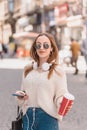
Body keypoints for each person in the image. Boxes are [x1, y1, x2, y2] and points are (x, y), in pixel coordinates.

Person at [15, 33, 73, 130]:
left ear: (51, 48)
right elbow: (23, 92)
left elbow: (61, 94)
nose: (42, 48)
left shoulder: (58, 71)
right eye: (38, 45)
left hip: (47, 118)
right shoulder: (27, 69)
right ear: (35, 48)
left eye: (46, 45)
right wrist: (20, 96)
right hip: (28, 117)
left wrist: (62, 103)